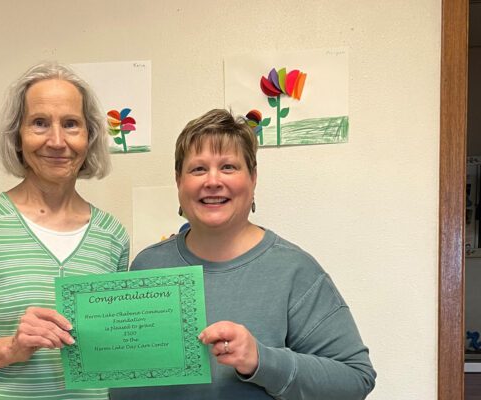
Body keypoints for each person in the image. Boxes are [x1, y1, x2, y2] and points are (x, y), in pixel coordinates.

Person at [110, 109, 376, 400]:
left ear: (253, 178)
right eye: (198, 169)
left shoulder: (294, 270)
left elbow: (355, 379)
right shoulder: (148, 266)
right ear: (179, 182)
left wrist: (261, 360)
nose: (212, 181)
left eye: (228, 167)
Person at [0, 62, 129, 399]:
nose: (56, 140)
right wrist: (12, 347)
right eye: (39, 123)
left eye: (71, 124)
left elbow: (115, 345)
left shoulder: (112, 234)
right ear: (17, 137)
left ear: (90, 137)